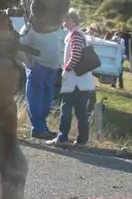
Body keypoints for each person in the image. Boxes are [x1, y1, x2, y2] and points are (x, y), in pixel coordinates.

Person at [46, 9, 96, 147]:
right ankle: (82, 140)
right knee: (80, 111)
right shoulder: (78, 34)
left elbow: (76, 55)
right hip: (82, 82)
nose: (64, 22)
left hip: (74, 80)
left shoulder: (75, 35)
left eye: (66, 20)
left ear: (73, 21)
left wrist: (66, 68)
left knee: (66, 108)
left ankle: (62, 138)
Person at [19, 22, 65, 139]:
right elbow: (20, 45)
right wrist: (30, 64)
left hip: (52, 68)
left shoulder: (53, 26)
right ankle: (38, 129)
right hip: (38, 67)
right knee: (36, 98)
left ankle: (42, 127)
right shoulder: (30, 28)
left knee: (47, 99)